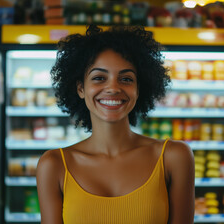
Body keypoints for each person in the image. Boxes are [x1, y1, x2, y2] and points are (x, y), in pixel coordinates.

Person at [36, 25, 195, 224]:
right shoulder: (54, 165)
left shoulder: (174, 157)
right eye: (99, 78)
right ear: (80, 89)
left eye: (126, 79)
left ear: (139, 89)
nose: (113, 88)